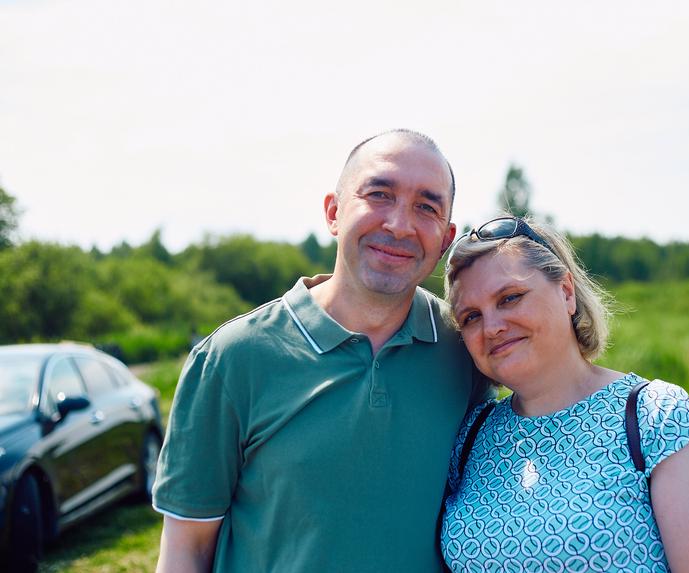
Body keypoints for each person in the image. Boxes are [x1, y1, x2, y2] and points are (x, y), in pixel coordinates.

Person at [152, 129, 486, 572]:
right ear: (333, 212)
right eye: (379, 194)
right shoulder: (232, 359)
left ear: (446, 239)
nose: (400, 225)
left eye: (426, 207)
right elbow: (185, 552)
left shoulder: (468, 349)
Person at [440, 215, 689, 572]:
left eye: (510, 298)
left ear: (566, 292)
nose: (492, 327)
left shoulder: (657, 418)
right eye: (471, 317)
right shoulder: (473, 436)